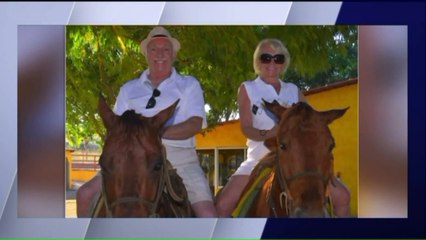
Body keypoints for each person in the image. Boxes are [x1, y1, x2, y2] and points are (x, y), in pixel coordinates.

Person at [76, 26, 217, 217]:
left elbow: (195, 123)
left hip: (180, 160)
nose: (160, 54)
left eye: (165, 49)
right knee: (83, 195)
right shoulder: (128, 89)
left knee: (208, 216)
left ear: (173, 54)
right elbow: (116, 129)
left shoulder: (189, 84)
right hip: (130, 161)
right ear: (146, 54)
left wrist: (155, 134)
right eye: (154, 49)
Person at [215, 38, 351, 217]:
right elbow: (246, 128)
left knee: (342, 196)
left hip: (296, 159)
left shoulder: (293, 89)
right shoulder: (247, 88)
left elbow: (312, 118)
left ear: (284, 62)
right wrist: (271, 133)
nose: (272, 63)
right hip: (260, 157)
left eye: (278, 58)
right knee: (223, 204)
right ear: (258, 61)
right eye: (266, 58)